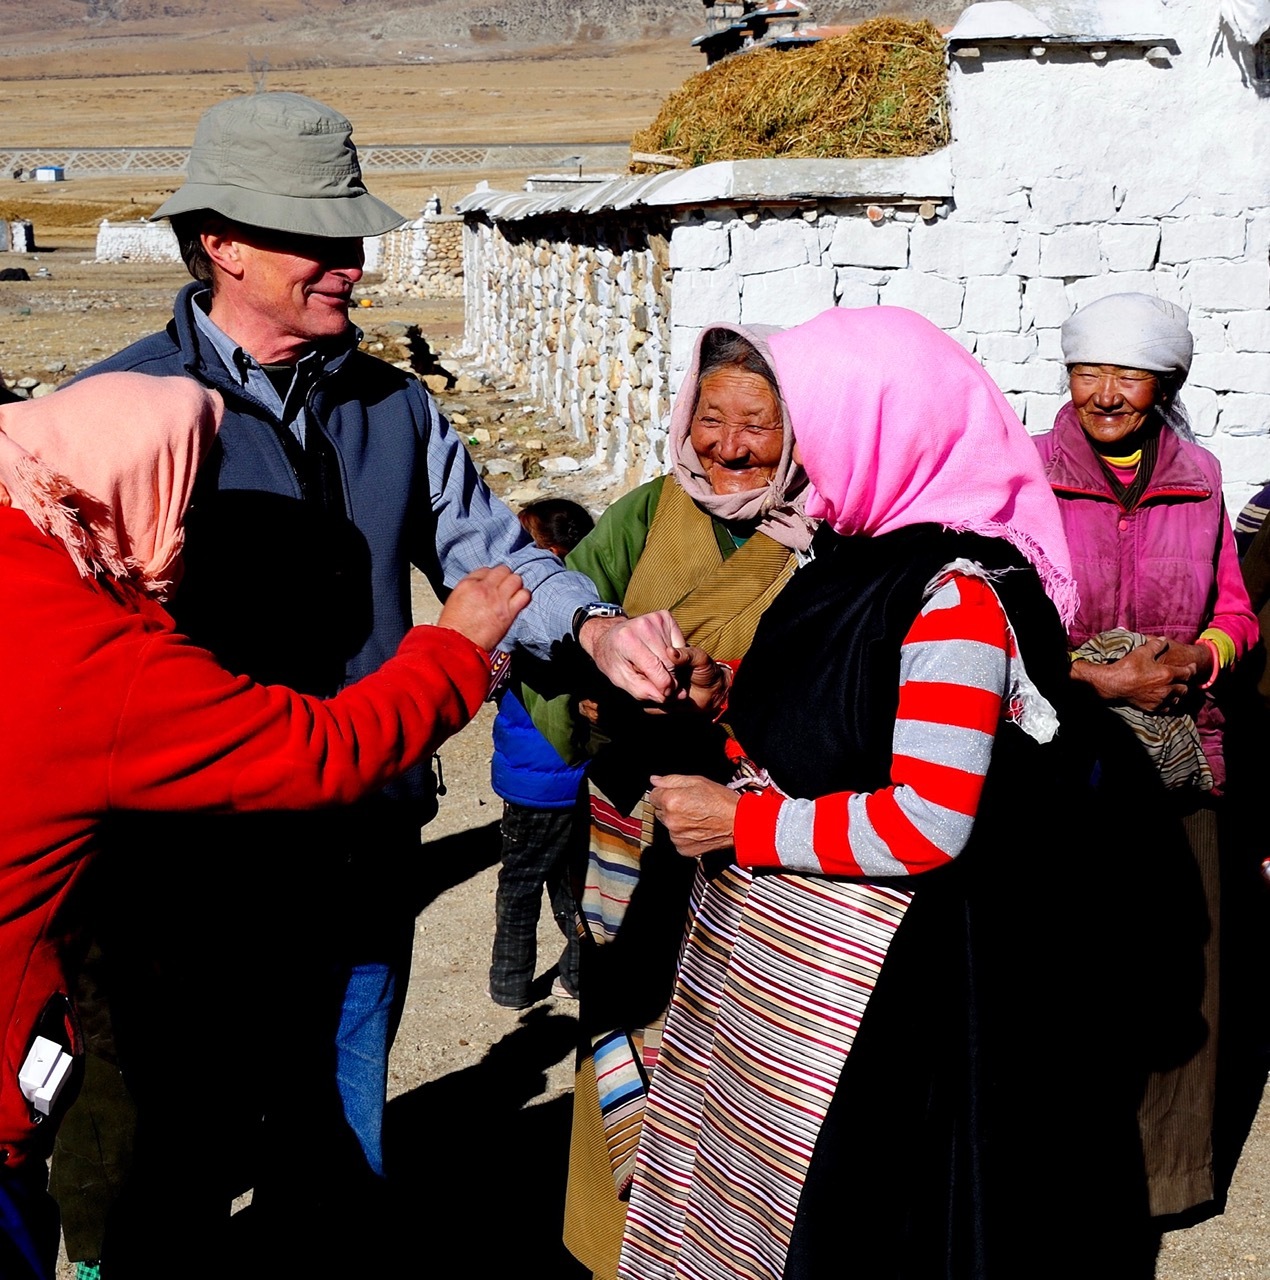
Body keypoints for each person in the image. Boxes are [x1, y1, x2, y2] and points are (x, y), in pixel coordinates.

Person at [73, 91, 688, 1269]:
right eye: (318, 237)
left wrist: (597, 627)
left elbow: (491, 551)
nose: (351, 264)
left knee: (341, 1132)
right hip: (188, 866)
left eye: (350, 237)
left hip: (360, 844)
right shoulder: (118, 412)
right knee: (177, 1149)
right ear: (222, 242)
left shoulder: (392, 403)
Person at [619, 306, 1157, 1279]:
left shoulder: (955, 595)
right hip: (814, 962)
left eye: (810, 426)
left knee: (859, 1222)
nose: (794, 455)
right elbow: (854, 719)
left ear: (880, 425)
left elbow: (926, 816)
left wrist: (739, 817)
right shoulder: (851, 555)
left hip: (895, 988)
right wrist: (725, 695)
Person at [0, 372, 528, 1280]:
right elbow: (322, 749)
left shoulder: (25, 551)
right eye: (190, 492)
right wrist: (456, 648)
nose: (194, 521)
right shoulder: (96, 658)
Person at [547, 323, 813, 1280]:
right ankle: (610, 1247)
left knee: (741, 1067)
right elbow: (551, 643)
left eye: (757, 425)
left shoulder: (828, 533)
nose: (729, 448)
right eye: (711, 419)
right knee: (625, 1031)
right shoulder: (646, 514)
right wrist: (592, 698)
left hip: (762, 854)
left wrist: (731, 698)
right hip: (633, 843)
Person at [1033, 292, 1258, 1220]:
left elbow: (1237, 615)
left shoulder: (1200, 477)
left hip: (1177, 757)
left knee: (1179, 970)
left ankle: (1167, 1181)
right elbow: (999, 620)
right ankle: (1055, 1171)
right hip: (1059, 757)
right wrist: (1102, 682)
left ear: (1166, 382)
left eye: (1129, 375)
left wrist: (1198, 660)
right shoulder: (1025, 477)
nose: (1106, 394)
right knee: (1062, 968)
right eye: (1089, 372)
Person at [488, 499, 595, 1010]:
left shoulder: (530, 618)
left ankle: (509, 984)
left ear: (550, 554)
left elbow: (484, 679)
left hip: (533, 784)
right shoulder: (592, 614)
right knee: (573, 885)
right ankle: (577, 975)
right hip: (578, 778)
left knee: (519, 887)